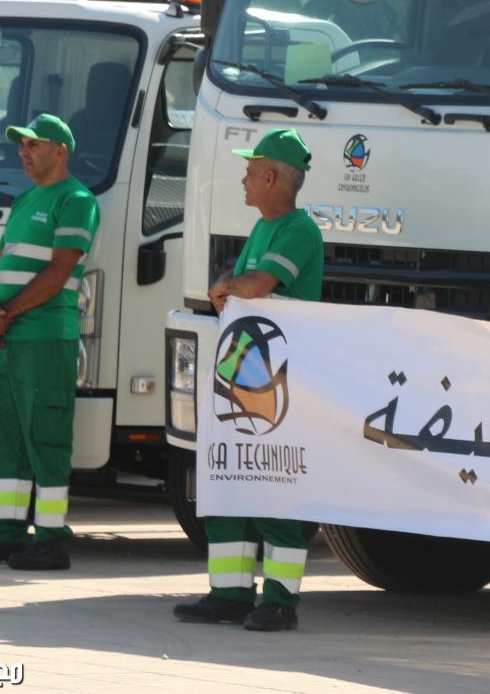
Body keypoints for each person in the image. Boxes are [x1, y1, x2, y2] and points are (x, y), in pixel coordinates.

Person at [173, 128, 324, 633]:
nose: (242, 177)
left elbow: (254, 288)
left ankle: (280, 602)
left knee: (271, 489)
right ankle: (230, 594)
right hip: (242, 375)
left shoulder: (299, 230)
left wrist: (226, 286)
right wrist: (229, 291)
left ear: (270, 176)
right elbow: (238, 296)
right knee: (231, 482)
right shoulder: (264, 229)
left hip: (274, 381)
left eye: (249, 169)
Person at [0, 114, 99, 571]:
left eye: (34, 144)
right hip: (7, 340)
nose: (24, 151)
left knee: (46, 436)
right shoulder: (23, 202)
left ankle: (52, 539)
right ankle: (7, 534)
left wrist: (7, 313)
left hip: (43, 338)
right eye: (21, 144)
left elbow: (59, 273)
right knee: (7, 438)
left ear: (61, 150)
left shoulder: (77, 200)